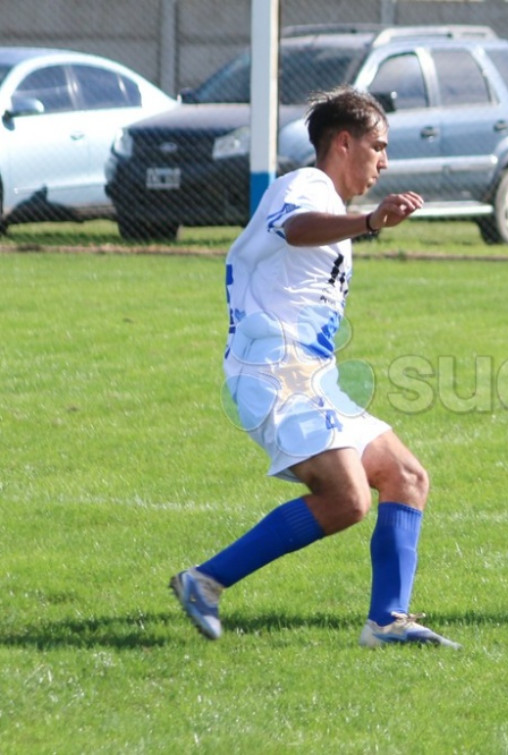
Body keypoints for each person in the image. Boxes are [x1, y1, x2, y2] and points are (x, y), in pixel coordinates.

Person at [170, 87, 460, 648]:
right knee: (348, 500)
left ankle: (387, 622)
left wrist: (363, 223)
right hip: (273, 372)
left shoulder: (329, 205)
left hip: (310, 377)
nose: (384, 161)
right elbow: (296, 228)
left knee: (406, 477)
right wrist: (369, 221)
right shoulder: (305, 185)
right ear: (343, 143)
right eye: (378, 146)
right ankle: (205, 581)